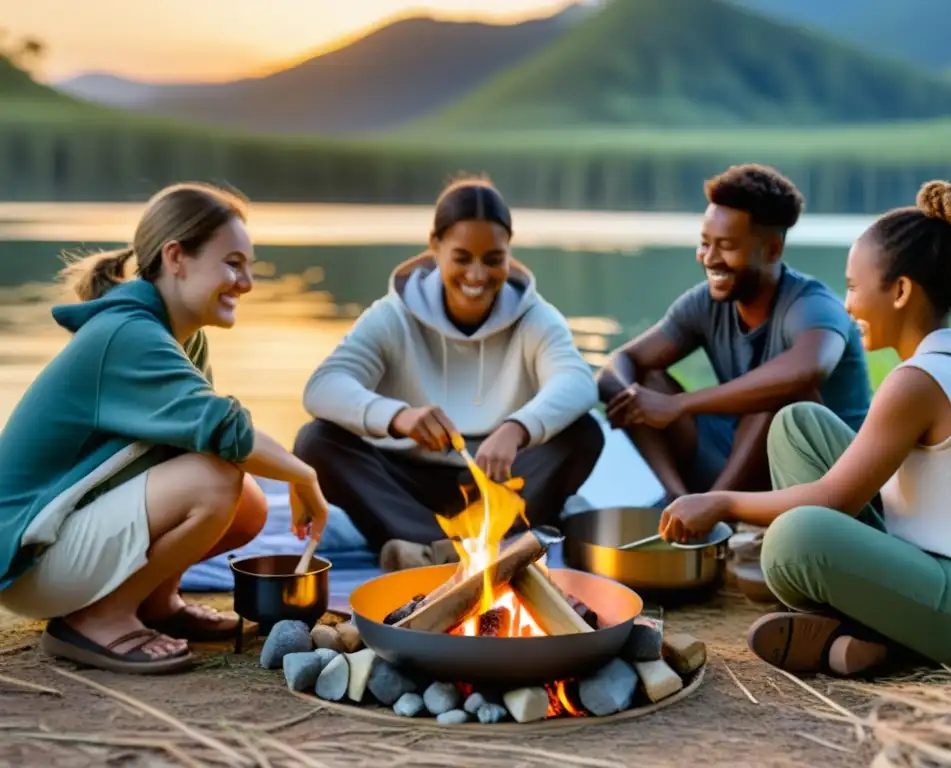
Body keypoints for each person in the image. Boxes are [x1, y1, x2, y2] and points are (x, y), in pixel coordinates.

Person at [661, 180, 951, 676]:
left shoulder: (918, 381)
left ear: (900, 291)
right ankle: (873, 633)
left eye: (853, 287)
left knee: (795, 540)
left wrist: (721, 502)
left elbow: (834, 500)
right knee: (798, 425)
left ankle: (879, 636)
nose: (847, 305)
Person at [0, 182, 330, 675]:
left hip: (63, 537)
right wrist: (303, 476)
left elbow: (206, 439)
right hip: (27, 559)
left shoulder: (181, 339)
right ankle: (95, 619)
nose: (247, 283)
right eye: (233, 263)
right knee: (217, 480)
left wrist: (289, 472)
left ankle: (156, 603)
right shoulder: (129, 335)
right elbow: (228, 436)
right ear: (177, 257)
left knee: (245, 503)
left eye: (248, 267)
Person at [294, 176, 603, 570]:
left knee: (583, 433)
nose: (477, 275)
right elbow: (323, 387)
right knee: (316, 441)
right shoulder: (393, 315)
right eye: (462, 257)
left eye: (493, 259)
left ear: (509, 253)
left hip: (500, 480)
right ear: (435, 247)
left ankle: (427, 552)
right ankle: (443, 544)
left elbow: (577, 382)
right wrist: (398, 417)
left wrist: (517, 428)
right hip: (408, 486)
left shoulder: (536, 317)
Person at [598, 163, 871, 503]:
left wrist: (679, 404)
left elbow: (809, 369)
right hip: (741, 457)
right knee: (644, 380)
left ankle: (715, 508)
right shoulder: (706, 302)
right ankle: (677, 498)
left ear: (772, 250)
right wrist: (637, 398)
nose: (710, 259)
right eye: (705, 244)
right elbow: (619, 362)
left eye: (726, 246)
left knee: (780, 393)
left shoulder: (812, 305)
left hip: (817, 472)